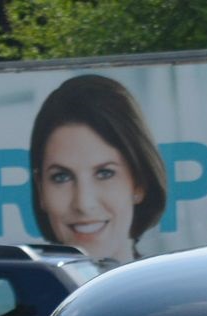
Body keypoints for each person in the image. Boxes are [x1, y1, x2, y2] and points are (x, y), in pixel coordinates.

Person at [29, 75, 168, 270]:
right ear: (40, 188)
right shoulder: (30, 298)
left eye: (105, 173)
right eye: (62, 177)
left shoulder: (169, 298)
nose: (83, 204)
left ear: (139, 183)